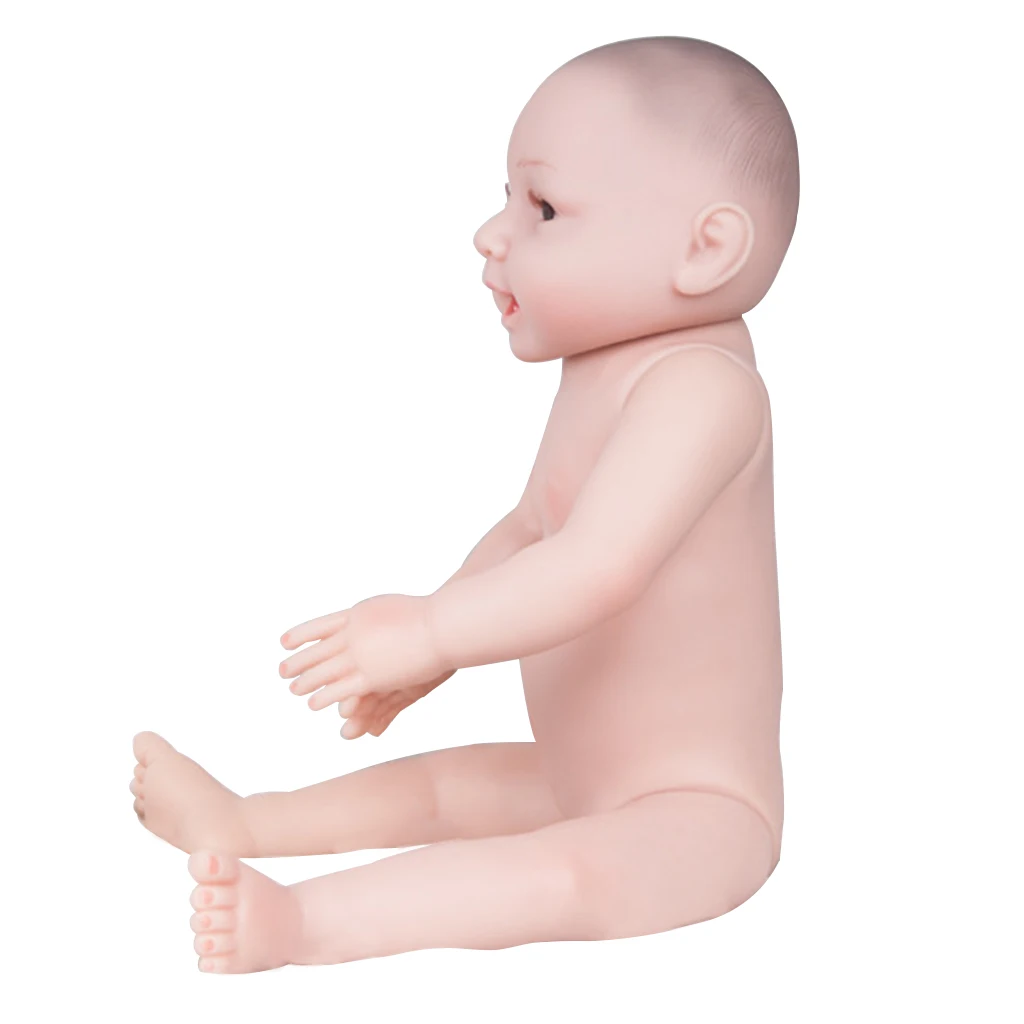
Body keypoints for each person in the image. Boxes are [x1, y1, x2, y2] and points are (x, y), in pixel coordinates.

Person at [130, 34, 799, 972]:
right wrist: (435, 646)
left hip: (698, 812)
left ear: (706, 249)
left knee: (561, 876)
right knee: (444, 790)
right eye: (507, 197)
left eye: (544, 208)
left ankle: (306, 925)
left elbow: (598, 566)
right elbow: (533, 529)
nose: (492, 233)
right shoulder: (609, 372)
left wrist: (435, 631)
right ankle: (244, 822)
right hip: (580, 774)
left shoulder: (705, 391)